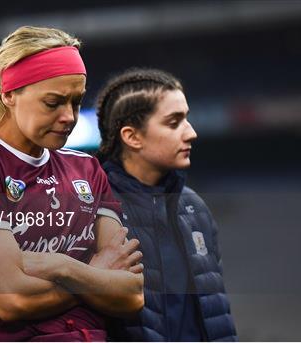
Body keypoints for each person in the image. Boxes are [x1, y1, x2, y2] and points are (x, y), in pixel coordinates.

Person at [0, 26, 144, 341]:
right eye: (53, 102)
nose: (69, 116)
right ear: (8, 93)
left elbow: (131, 295)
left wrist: (62, 268)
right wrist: (94, 273)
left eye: (76, 101)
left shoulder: (86, 168)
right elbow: (10, 300)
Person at [95, 68, 238, 341]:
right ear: (132, 136)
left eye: (187, 119)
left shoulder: (194, 207)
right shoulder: (95, 210)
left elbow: (216, 316)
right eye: (174, 123)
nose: (191, 133)